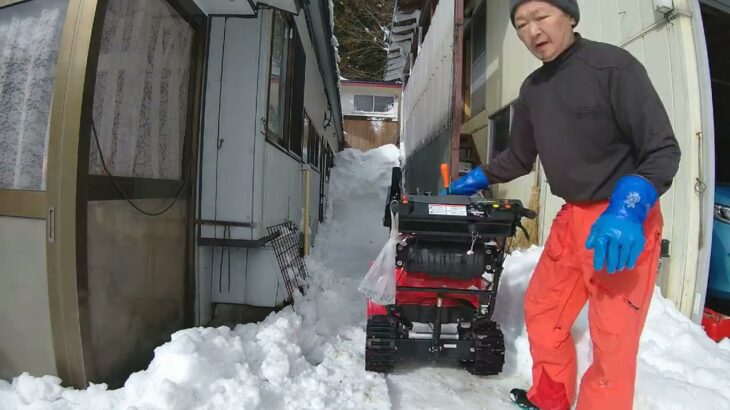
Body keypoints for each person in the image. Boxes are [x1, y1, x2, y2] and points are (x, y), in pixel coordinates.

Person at [444, 1, 681, 409]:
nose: (532, 31)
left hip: (621, 222)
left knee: (612, 341)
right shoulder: (534, 91)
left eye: (541, 17)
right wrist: (480, 177)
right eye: (521, 24)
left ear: (570, 16)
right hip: (572, 219)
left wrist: (629, 208)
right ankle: (549, 398)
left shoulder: (612, 68)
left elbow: (661, 151)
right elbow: (520, 157)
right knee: (543, 311)